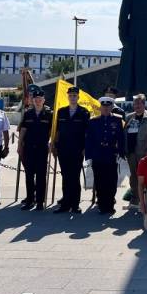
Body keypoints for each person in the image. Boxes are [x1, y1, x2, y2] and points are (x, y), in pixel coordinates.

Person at [52, 86, 90, 214]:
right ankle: (65, 204)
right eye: (70, 96)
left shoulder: (84, 112)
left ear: (78, 97)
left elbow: (87, 133)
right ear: (67, 97)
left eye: (75, 96)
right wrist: (54, 146)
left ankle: (75, 205)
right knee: (65, 176)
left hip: (77, 150)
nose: (72, 98)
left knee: (75, 177)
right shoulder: (61, 112)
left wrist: (85, 148)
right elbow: (56, 131)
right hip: (63, 149)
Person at [85, 96, 125, 214]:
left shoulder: (117, 120)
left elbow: (121, 139)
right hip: (98, 155)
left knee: (111, 180)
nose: (106, 109)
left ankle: (110, 203)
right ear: (100, 107)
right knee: (99, 181)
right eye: (104, 106)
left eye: (108, 106)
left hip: (111, 155)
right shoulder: (93, 121)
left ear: (112, 107)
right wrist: (89, 156)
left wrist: (121, 153)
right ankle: (102, 204)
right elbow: (89, 139)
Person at [17, 87, 53, 211]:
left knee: (41, 176)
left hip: (42, 149)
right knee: (29, 176)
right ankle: (30, 200)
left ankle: (39, 201)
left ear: (44, 100)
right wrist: (19, 145)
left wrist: (51, 143)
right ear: (33, 100)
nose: (38, 101)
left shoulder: (49, 114)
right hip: (29, 149)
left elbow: (52, 131)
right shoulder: (28, 114)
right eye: (36, 99)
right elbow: (23, 130)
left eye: (40, 99)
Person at [122, 94, 147, 204]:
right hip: (131, 153)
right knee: (134, 176)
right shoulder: (129, 117)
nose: (137, 105)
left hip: (144, 152)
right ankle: (135, 198)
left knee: (144, 176)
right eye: (135, 103)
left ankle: (146, 198)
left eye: (139, 103)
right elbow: (124, 134)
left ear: (144, 104)